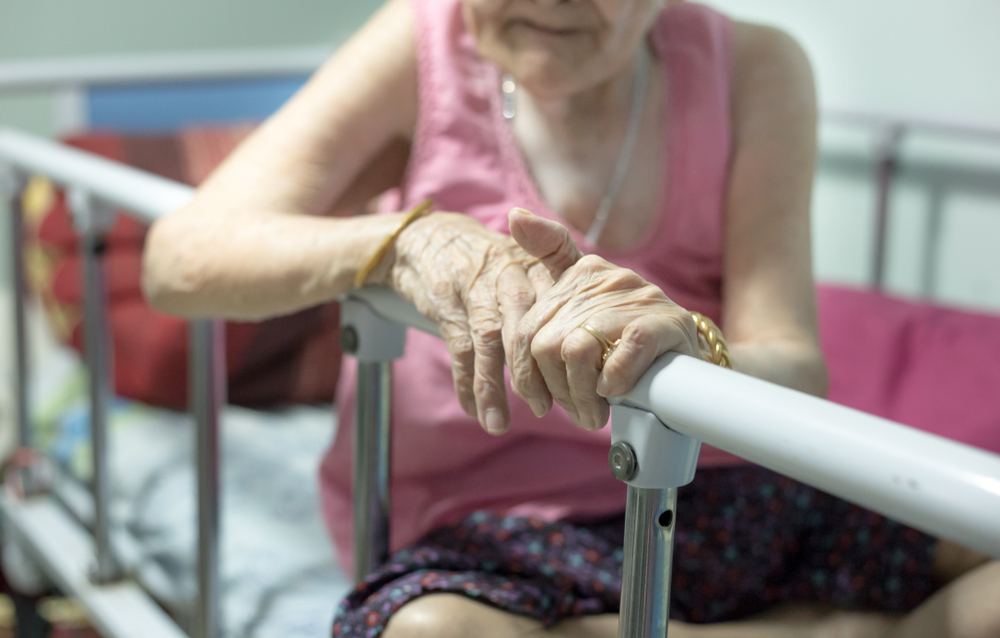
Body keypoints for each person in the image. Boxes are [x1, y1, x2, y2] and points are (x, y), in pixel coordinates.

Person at [142, 0, 999, 636]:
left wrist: (690, 349)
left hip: (713, 493)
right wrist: (405, 242)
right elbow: (181, 256)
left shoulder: (757, 66)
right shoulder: (421, 43)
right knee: (430, 635)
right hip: (492, 527)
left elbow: (794, 367)